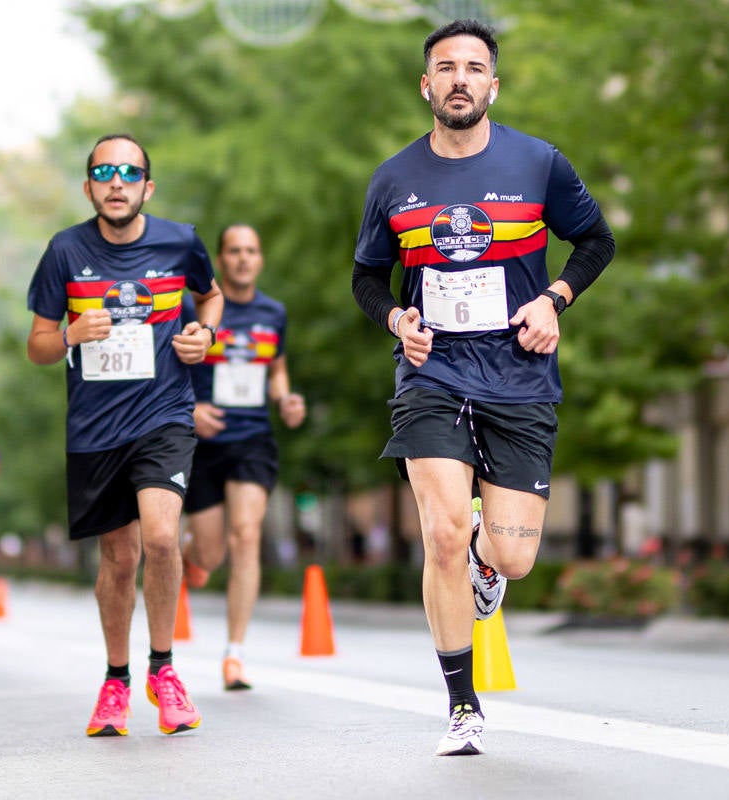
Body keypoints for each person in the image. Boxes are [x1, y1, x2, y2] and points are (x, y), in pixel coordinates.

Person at [351, 19, 615, 755]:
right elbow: (366, 278)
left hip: (520, 375)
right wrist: (398, 315)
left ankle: (483, 555)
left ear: (493, 85)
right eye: (446, 67)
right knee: (438, 534)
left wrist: (554, 298)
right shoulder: (394, 179)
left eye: (474, 67)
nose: (460, 77)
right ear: (427, 86)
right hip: (432, 373)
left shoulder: (540, 164)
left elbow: (598, 241)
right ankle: (461, 705)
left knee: (515, 556)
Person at [26, 133, 223, 737]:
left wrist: (205, 336)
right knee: (119, 556)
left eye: (129, 173)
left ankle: (164, 670)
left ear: (147, 186)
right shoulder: (64, 252)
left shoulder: (180, 241)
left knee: (163, 538)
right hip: (95, 429)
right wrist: (69, 335)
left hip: (164, 414)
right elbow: (36, 346)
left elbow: (209, 299)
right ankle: (116, 681)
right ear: (88, 187)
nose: (117, 182)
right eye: (104, 172)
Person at [180, 224, 306, 691]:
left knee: (246, 534)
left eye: (251, 251)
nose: (242, 259)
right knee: (211, 554)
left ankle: (234, 654)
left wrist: (286, 398)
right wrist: (190, 409)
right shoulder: (197, 309)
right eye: (233, 251)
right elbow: (172, 367)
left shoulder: (273, 312)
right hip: (204, 442)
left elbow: (276, 366)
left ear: (260, 259)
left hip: (253, 437)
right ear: (220, 258)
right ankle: (192, 554)